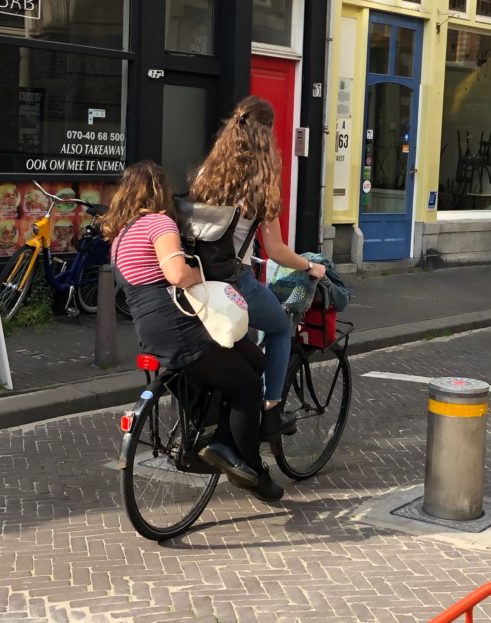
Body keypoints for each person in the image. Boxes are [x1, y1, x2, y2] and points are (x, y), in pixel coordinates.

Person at [102, 161, 282, 502]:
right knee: (245, 384)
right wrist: (200, 274)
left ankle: (218, 438)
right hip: (179, 326)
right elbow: (176, 274)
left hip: (150, 330)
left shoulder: (121, 234)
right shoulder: (159, 222)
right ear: (160, 192)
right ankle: (249, 468)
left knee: (253, 358)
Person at [190, 96, 326, 437]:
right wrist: (309, 265)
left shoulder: (207, 174)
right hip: (235, 281)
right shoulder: (259, 184)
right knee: (280, 327)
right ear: (265, 135)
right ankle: (273, 407)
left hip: (199, 277)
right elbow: (277, 251)